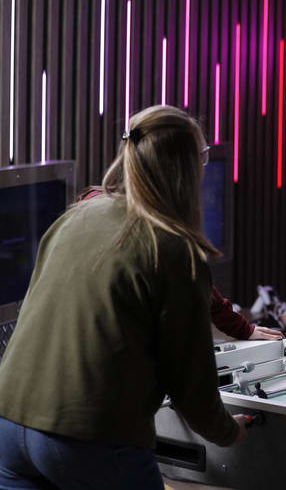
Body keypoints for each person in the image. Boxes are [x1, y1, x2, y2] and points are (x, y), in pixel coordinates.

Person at [0, 105, 249, 489]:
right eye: (203, 157)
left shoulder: (76, 216)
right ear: (187, 166)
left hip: (10, 424)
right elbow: (190, 383)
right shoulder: (173, 249)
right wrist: (228, 432)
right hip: (88, 436)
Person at [78, 187, 283, 342]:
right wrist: (242, 329)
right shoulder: (144, 226)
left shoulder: (85, 215)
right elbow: (195, 280)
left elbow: (195, 280)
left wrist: (243, 329)